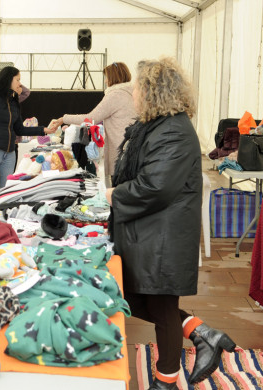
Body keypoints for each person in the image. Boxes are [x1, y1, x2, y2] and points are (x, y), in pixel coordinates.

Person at [106, 57, 235, 390]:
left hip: (163, 236)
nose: (132, 91)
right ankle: (202, 333)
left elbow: (155, 186)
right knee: (132, 299)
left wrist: (113, 196)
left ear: (152, 92)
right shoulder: (159, 125)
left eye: (136, 86)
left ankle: (166, 380)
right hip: (152, 232)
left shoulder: (173, 131)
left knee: (161, 307)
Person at [0, 66, 56, 222]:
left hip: (9, 153)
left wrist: (44, 130)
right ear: (8, 79)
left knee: (3, 195)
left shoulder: (13, 102)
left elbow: (19, 128)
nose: (20, 84)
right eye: (18, 80)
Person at [51, 62, 136, 187]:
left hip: (120, 152)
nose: (106, 81)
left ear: (113, 78)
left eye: (107, 77)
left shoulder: (115, 95)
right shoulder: (133, 93)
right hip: (132, 151)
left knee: (119, 192)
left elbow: (91, 119)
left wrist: (64, 118)